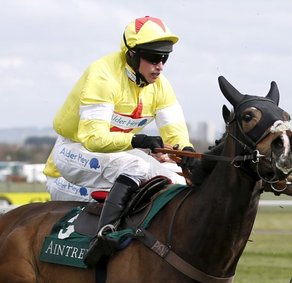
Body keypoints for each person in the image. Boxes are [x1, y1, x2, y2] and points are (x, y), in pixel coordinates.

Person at [43, 16, 200, 266]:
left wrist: (187, 153)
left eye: (165, 58)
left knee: (175, 179)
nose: (160, 66)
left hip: (114, 156)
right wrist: (139, 140)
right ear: (132, 55)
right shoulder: (102, 75)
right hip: (71, 156)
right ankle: (103, 238)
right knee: (136, 167)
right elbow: (94, 139)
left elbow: (175, 135)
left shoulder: (160, 86)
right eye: (153, 57)